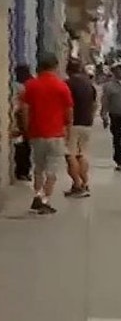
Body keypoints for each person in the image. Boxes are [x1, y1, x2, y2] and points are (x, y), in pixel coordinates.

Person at [18, 54, 73, 214]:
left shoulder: (30, 85)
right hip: (55, 134)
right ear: (55, 67)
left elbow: (25, 110)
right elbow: (69, 112)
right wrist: (68, 129)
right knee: (52, 170)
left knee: (38, 167)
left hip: (36, 133)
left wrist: (28, 129)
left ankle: (37, 195)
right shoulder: (61, 86)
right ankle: (45, 200)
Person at [64, 58, 98, 197]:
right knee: (82, 154)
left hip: (72, 123)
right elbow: (95, 104)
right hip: (87, 123)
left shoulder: (68, 84)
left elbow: (66, 106)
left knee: (70, 155)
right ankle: (85, 183)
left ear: (68, 70)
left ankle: (77, 185)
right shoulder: (89, 84)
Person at [10, 64, 33, 181]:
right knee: (24, 147)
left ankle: (21, 170)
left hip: (15, 119)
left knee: (20, 146)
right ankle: (23, 171)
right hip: (20, 120)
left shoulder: (14, 86)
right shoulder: (23, 87)